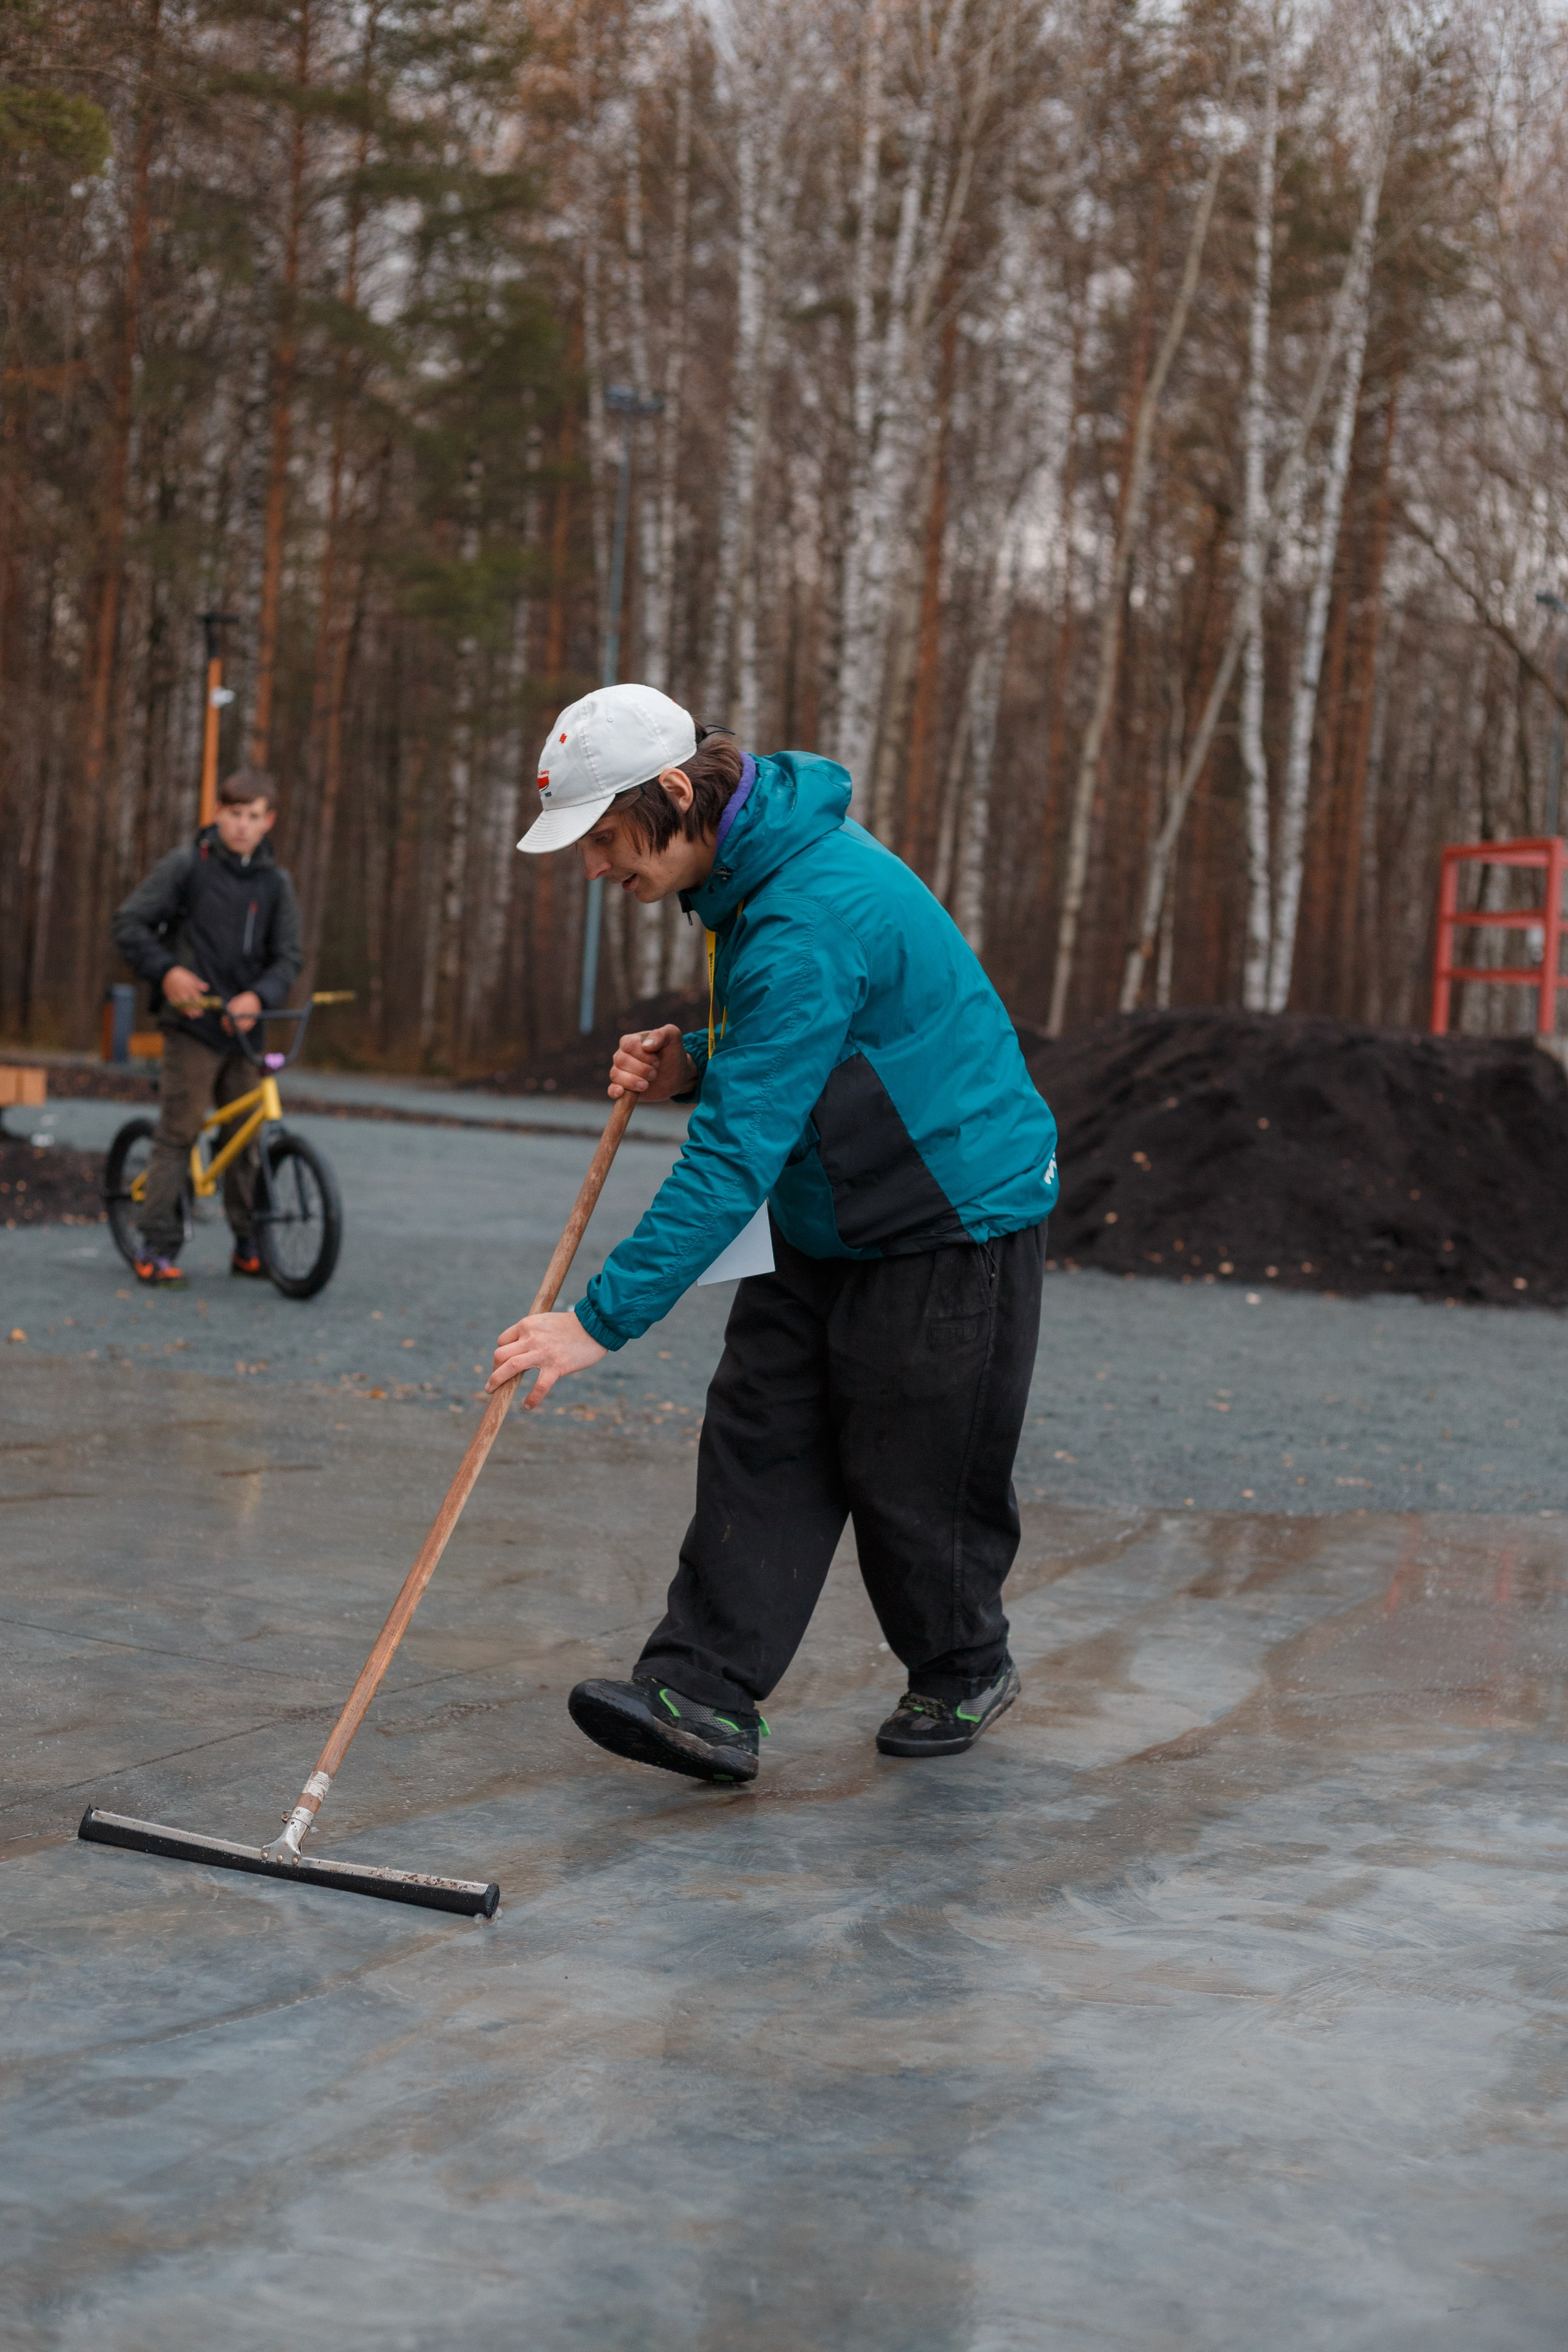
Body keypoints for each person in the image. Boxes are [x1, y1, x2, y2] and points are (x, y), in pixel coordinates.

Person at [491, 682, 1058, 1785]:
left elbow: (734, 1154)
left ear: (671, 796)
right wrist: (695, 1060)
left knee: (915, 1467)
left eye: (606, 840)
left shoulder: (804, 910)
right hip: (829, 1201)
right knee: (762, 1432)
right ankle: (700, 1691)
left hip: (949, 1217)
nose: (599, 870)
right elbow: (801, 1045)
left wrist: (597, 1321)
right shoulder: (749, 876)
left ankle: (962, 1665)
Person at [111, 767, 303, 1289]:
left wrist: (258, 996)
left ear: (269, 822)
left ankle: (248, 1243)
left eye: (254, 817)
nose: (242, 826)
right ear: (218, 814)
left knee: (245, 1137)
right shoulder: (186, 867)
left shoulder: (275, 883)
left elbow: (288, 958)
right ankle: (157, 1244)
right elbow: (129, 924)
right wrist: (168, 972)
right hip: (192, 1025)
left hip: (246, 1031)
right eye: (234, 814)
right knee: (180, 1131)